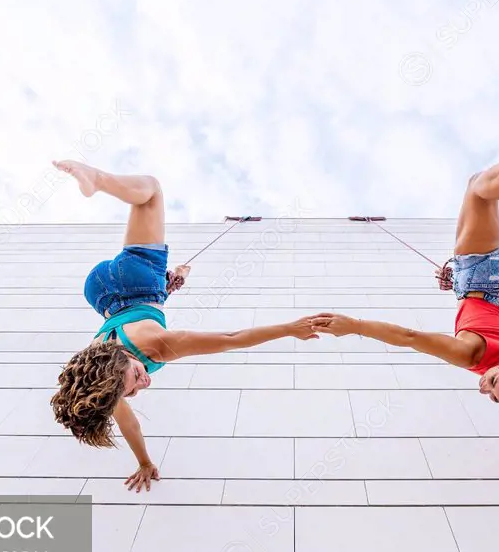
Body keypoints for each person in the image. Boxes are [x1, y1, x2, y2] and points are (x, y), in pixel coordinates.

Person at [313, 125, 499, 488]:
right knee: (478, 189)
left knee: (479, 201)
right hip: (487, 279)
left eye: (494, 397)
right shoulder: (470, 354)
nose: (484, 386)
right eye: (492, 381)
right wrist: (352, 325)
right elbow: (408, 336)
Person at [48, 160, 325, 492]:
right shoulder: (104, 382)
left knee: (150, 191)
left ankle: (98, 179)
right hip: (100, 292)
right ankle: (167, 278)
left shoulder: (155, 348)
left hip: (138, 285)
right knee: (154, 278)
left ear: (121, 361)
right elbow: (131, 426)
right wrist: (145, 463)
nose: (142, 385)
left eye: (137, 377)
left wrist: (290, 329)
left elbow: (231, 338)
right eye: (133, 389)